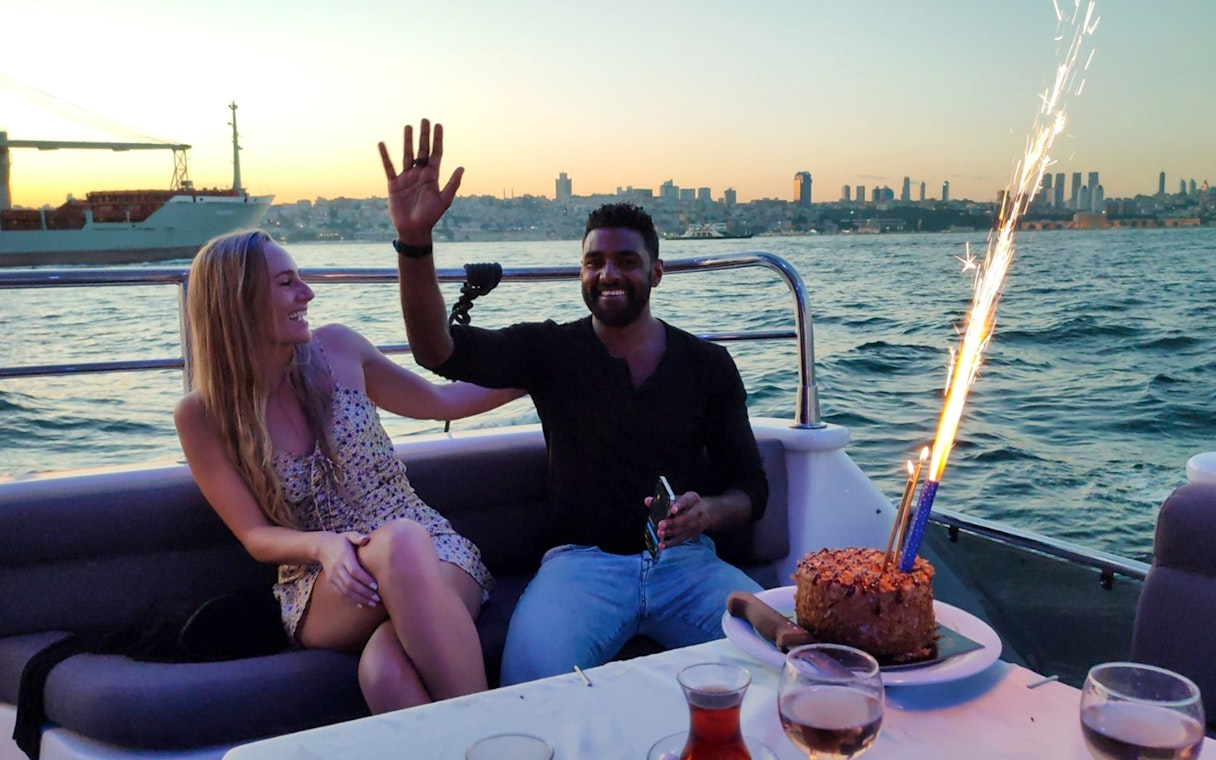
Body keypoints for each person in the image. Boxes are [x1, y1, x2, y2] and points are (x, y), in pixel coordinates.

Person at [378, 120, 768, 685]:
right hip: (578, 569)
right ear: (582, 274)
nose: (609, 273)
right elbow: (436, 351)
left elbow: (751, 490)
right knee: (527, 693)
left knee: (792, 660)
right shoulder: (549, 350)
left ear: (656, 273)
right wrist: (415, 244)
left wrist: (706, 512)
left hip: (689, 566)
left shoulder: (708, 364)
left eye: (627, 262)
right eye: (594, 262)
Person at [173, 229, 521, 713]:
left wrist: (539, 373)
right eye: (286, 283)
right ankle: (499, 737)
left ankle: (487, 737)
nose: (307, 293)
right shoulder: (202, 415)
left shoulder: (337, 349)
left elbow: (440, 401)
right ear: (239, 300)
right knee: (398, 545)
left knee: (383, 671)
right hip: (319, 581)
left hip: (431, 549)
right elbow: (255, 536)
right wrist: (325, 545)